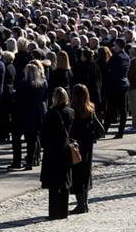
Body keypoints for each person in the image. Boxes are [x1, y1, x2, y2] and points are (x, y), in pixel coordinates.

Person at [69, 83, 104, 214]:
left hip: (76, 146)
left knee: (77, 174)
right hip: (88, 146)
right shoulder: (90, 110)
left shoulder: (74, 111)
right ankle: (85, 203)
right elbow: (101, 129)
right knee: (85, 173)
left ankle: (80, 204)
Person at [41, 86, 75, 220]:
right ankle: (64, 211)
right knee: (65, 181)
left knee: (54, 183)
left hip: (52, 150)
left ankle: (54, 212)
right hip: (66, 148)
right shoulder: (71, 112)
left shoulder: (50, 114)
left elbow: (44, 133)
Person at [13, 62, 48, 170]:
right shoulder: (43, 83)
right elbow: (46, 97)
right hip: (38, 112)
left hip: (24, 112)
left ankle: (18, 161)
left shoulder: (24, 83)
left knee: (18, 137)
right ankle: (31, 161)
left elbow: (18, 98)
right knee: (32, 138)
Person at [104, 39, 131, 138]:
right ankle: (120, 132)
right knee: (122, 110)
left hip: (115, 85)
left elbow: (108, 69)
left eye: (115, 45)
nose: (113, 46)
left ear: (118, 46)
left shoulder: (115, 57)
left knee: (110, 108)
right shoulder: (127, 57)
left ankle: (104, 129)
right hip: (124, 84)